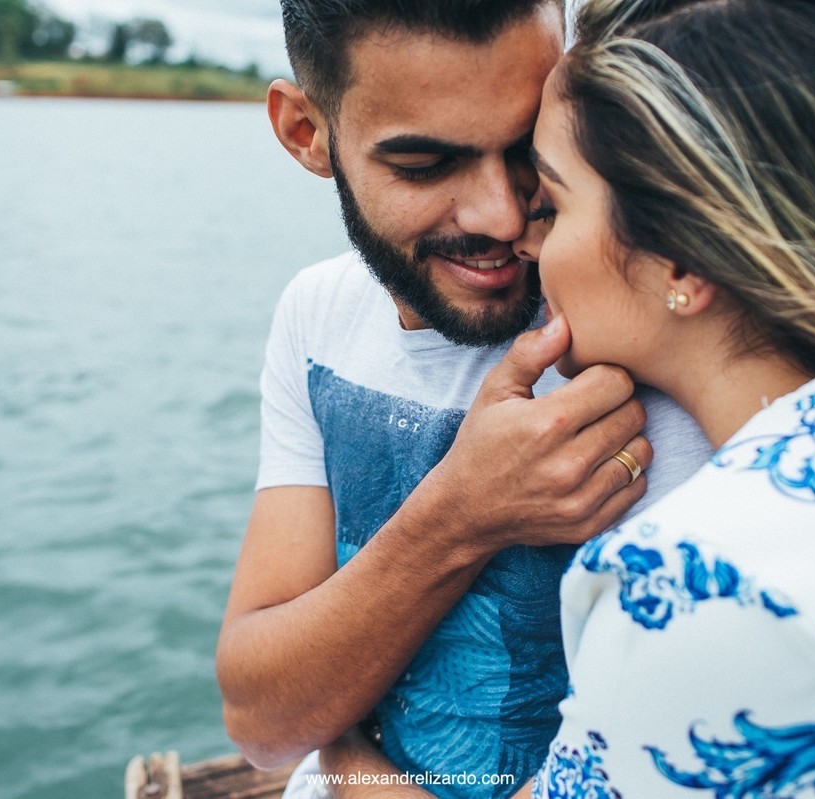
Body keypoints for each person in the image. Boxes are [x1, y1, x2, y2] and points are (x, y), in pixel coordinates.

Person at [215, 0, 713, 795]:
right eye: (424, 165)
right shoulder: (318, 312)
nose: (503, 214)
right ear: (307, 134)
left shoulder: (644, 326)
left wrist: (344, 748)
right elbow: (265, 721)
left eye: (529, 150)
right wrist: (461, 512)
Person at [509, 0, 815, 795]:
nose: (526, 241)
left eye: (552, 205)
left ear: (679, 260)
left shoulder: (696, 575)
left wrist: (341, 763)